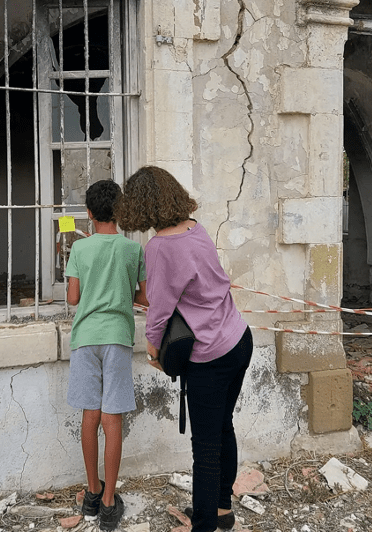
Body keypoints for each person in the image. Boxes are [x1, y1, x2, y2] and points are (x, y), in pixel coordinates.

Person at [116, 166, 253, 533]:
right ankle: (221, 510)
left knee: (205, 447)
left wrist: (153, 351)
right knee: (223, 427)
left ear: (141, 205)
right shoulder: (196, 227)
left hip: (210, 355)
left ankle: (204, 525)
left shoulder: (159, 247)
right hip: (239, 338)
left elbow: (159, 309)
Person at [65, 179, 148, 532]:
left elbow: (73, 298)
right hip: (117, 337)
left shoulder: (80, 249)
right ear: (120, 212)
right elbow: (145, 298)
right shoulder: (133, 250)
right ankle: (110, 503)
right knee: (112, 418)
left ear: (89, 213)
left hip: (85, 338)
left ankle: (92, 492)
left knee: (90, 414)